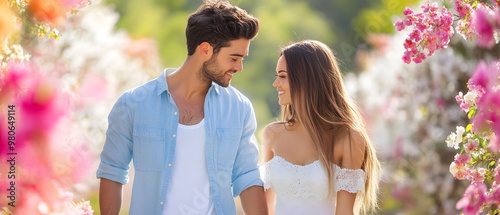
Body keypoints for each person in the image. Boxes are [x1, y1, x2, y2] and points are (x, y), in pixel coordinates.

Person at [96, 1, 268, 214]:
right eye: (234, 58)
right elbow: (112, 172)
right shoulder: (133, 104)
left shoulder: (239, 108)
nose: (239, 67)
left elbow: (247, 176)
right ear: (205, 49)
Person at [260, 40, 381, 215]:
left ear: (307, 79)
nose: (276, 83)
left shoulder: (349, 139)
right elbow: (264, 206)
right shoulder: (272, 134)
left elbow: (345, 211)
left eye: (283, 76)